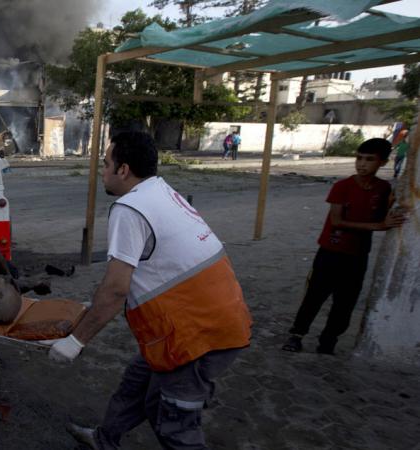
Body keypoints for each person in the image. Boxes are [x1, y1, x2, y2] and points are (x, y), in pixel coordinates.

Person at [49, 131, 252, 450]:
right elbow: (154, 268)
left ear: (123, 170)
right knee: (136, 383)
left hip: (198, 334)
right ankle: (105, 440)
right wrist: (96, 305)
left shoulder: (129, 208)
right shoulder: (159, 190)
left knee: (173, 424)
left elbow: (117, 287)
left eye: (105, 164)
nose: (102, 171)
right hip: (206, 318)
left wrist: (76, 341)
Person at [282, 138, 408, 355]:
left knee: (345, 303)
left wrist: (391, 212)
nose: (362, 164)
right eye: (359, 158)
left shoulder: (383, 188)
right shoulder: (343, 187)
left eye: (369, 160)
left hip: (357, 255)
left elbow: (384, 218)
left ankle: (328, 341)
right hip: (330, 252)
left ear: (383, 162)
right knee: (314, 297)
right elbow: (337, 220)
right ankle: (297, 335)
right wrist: (379, 225)